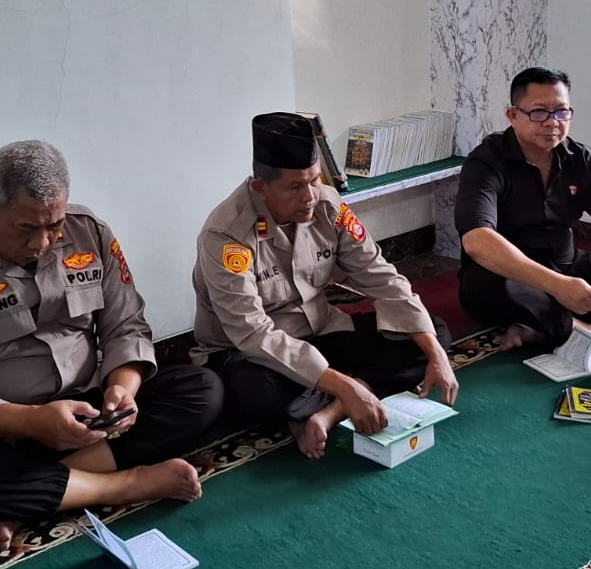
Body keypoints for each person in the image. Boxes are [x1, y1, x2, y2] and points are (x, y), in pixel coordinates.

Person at [0, 141, 223, 552]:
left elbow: (126, 325)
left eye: (54, 226)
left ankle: (36, 498)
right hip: (5, 429)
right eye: (26, 229)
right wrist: (34, 422)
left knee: (202, 389)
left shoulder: (91, 232)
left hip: (91, 410)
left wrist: (122, 390)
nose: (43, 243)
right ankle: (124, 484)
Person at [191, 112, 458, 459]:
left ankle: (329, 410)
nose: (310, 197)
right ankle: (347, 391)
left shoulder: (328, 204)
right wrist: (342, 383)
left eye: (314, 181)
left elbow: (381, 276)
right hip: (250, 354)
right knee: (254, 392)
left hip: (322, 331)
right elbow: (253, 335)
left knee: (431, 332)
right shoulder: (226, 235)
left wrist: (435, 353)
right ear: (260, 187)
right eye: (295, 187)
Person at [456, 66, 591, 351]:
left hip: (569, 270)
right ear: (513, 115)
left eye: (561, 112)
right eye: (538, 112)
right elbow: (477, 240)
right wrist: (556, 285)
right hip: (515, 277)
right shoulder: (486, 162)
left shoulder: (580, 159)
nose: (552, 122)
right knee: (485, 283)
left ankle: (542, 326)